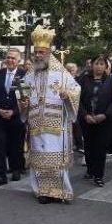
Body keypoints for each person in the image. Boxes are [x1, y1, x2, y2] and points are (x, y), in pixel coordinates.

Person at [18, 26, 81, 204]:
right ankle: (42, 191)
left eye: (41, 52)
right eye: (36, 52)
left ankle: (60, 191)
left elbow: (76, 89)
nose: (38, 55)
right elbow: (21, 92)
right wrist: (22, 102)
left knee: (55, 160)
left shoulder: (61, 72)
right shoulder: (30, 74)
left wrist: (66, 94)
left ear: (48, 52)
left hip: (56, 126)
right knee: (39, 160)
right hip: (36, 123)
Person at [77, 56, 112, 187]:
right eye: (97, 63)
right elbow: (77, 99)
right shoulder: (84, 79)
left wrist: (105, 115)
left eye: (102, 64)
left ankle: (98, 175)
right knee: (89, 146)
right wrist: (85, 115)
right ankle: (90, 170)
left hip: (104, 120)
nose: (99, 66)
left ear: (106, 66)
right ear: (92, 65)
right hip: (87, 119)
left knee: (100, 148)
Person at [0, 48, 26, 187]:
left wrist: (14, 112)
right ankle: (1, 175)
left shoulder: (23, 75)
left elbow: (24, 99)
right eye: (8, 57)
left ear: (18, 61)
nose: (10, 60)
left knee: (16, 145)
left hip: (15, 118)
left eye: (13, 58)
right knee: (0, 147)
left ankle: (16, 170)